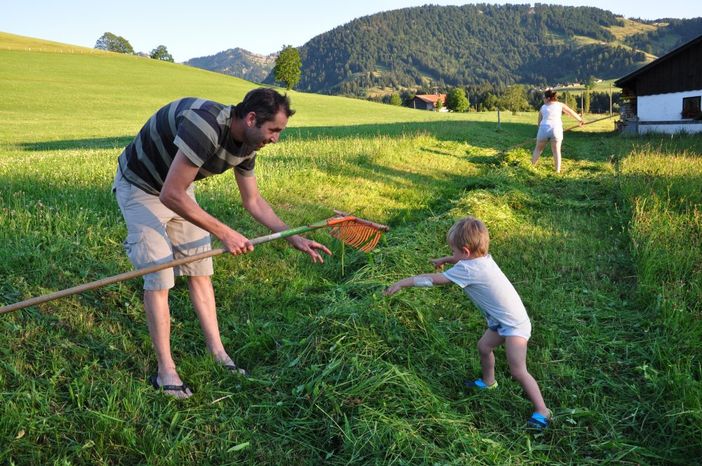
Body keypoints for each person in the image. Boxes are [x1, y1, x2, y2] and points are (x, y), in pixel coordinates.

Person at [113, 88, 331, 398]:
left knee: (200, 269)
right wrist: (224, 232)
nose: (275, 138)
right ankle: (166, 371)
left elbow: (253, 200)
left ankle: (219, 354)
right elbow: (169, 195)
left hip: (178, 187)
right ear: (252, 118)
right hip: (141, 186)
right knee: (160, 275)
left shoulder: (247, 144)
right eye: (274, 130)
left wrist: (292, 235)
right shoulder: (206, 127)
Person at [384, 216, 551, 429]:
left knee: (518, 370)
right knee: (484, 347)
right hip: (503, 321)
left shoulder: (469, 269)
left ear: (465, 251)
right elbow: (464, 259)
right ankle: (488, 382)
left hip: (515, 327)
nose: (454, 255)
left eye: (454, 251)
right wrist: (447, 258)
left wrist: (403, 283)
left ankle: (543, 411)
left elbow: (437, 280)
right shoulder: (482, 259)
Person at [531, 88, 583, 173]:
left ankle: (532, 167)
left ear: (548, 98)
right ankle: (557, 171)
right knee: (556, 151)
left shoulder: (543, 107)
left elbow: (539, 122)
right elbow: (571, 112)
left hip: (543, 129)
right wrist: (580, 120)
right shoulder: (560, 105)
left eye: (544, 97)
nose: (543, 99)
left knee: (538, 149)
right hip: (556, 129)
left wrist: (539, 136)